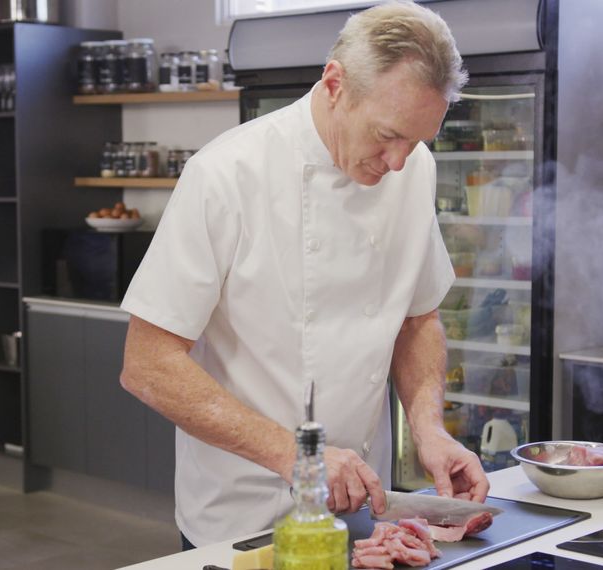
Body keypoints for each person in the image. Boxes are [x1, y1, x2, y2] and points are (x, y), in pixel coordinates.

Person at [119, 0, 489, 549]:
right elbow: (147, 366)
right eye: (387, 134)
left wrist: (428, 429)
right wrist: (297, 456)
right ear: (335, 83)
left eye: (417, 141)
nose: (397, 162)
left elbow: (417, 318)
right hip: (243, 516)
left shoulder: (413, 171)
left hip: (363, 514)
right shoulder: (226, 175)